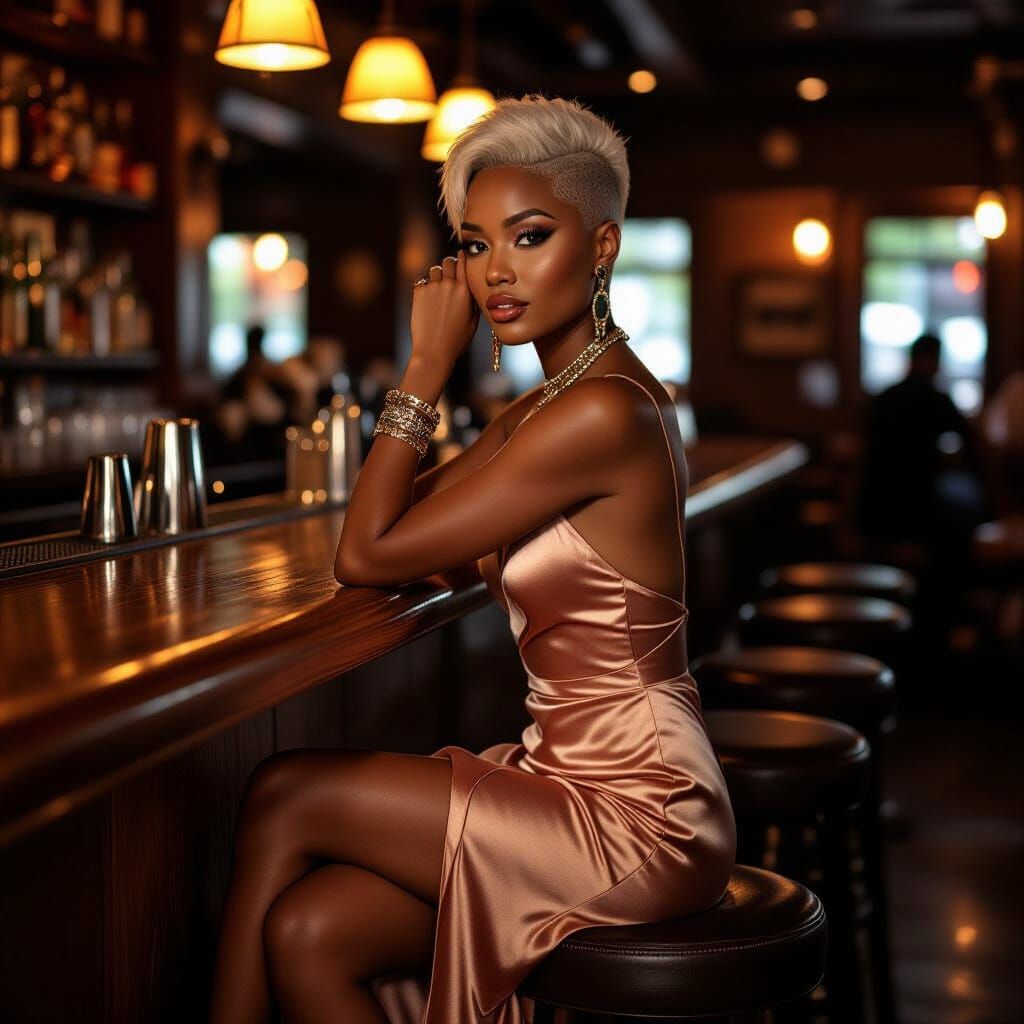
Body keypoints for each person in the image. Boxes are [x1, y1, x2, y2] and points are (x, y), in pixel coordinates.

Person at [208, 94, 737, 1024]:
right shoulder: (541, 410)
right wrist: (433, 426)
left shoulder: (604, 412)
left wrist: (422, 371)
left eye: (530, 238)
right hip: (563, 775)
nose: (498, 272)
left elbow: (366, 554)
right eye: (479, 244)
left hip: (640, 811)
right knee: (310, 932)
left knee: (285, 790)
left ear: (603, 246)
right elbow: (405, 517)